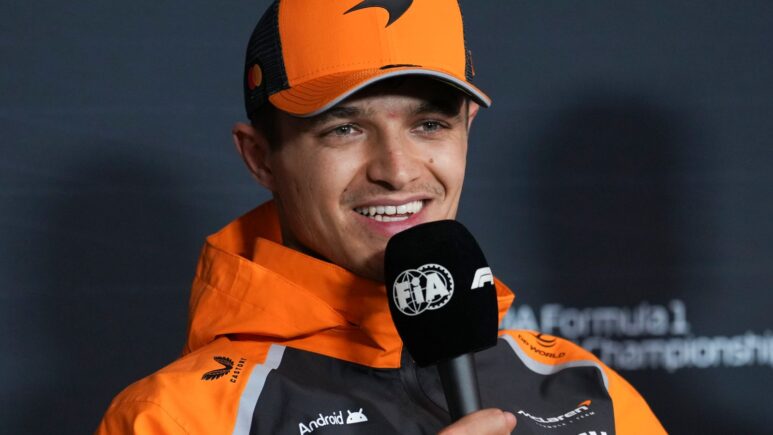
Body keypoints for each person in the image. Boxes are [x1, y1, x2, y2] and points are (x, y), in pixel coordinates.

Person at [97, 1, 665, 434]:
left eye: (429, 125)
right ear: (260, 157)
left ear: (467, 130)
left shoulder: (586, 390)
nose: (397, 170)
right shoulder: (177, 417)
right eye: (345, 129)